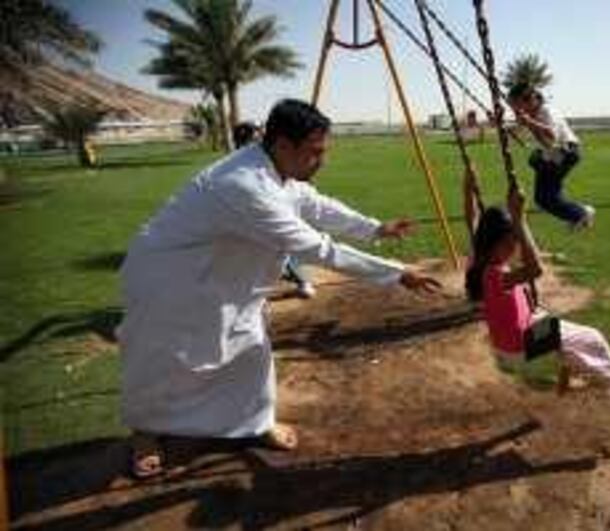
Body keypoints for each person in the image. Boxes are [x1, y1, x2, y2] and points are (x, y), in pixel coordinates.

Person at [119, 99, 440, 478]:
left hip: (223, 278)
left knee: (251, 349)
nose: (322, 161)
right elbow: (317, 248)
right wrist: (397, 273)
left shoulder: (280, 172)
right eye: (315, 152)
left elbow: (318, 206)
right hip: (169, 277)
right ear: (284, 145)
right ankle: (145, 432)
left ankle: (255, 423)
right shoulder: (244, 184)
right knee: (164, 358)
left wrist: (375, 228)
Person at [463, 167, 610, 406]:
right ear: (493, 242)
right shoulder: (493, 274)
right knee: (592, 337)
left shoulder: (478, 258)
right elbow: (535, 269)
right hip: (521, 345)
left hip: (507, 341)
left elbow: (471, 217)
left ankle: (566, 378)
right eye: (509, 243)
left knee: (556, 327)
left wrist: (468, 186)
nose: (514, 248)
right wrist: (519, 219)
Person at [233, 121, 316, 298]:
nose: (258, 138)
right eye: (254, 135)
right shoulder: (245, 159)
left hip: (281, 204)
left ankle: (301, 280)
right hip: (257, 210)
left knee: (282, 247)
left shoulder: (265, 154)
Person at [507, 83, 594, 230]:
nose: (515, 110)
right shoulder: (533, 114)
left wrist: (528, 122)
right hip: (553, 155)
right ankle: (577, 215)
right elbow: (520, 135)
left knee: (545, 197)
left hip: (566, 153)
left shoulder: (546, 111)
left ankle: (582, 213)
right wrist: (504, 125)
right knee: (543, 195)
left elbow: (552, 135)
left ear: (528, 100)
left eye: (516, 105)